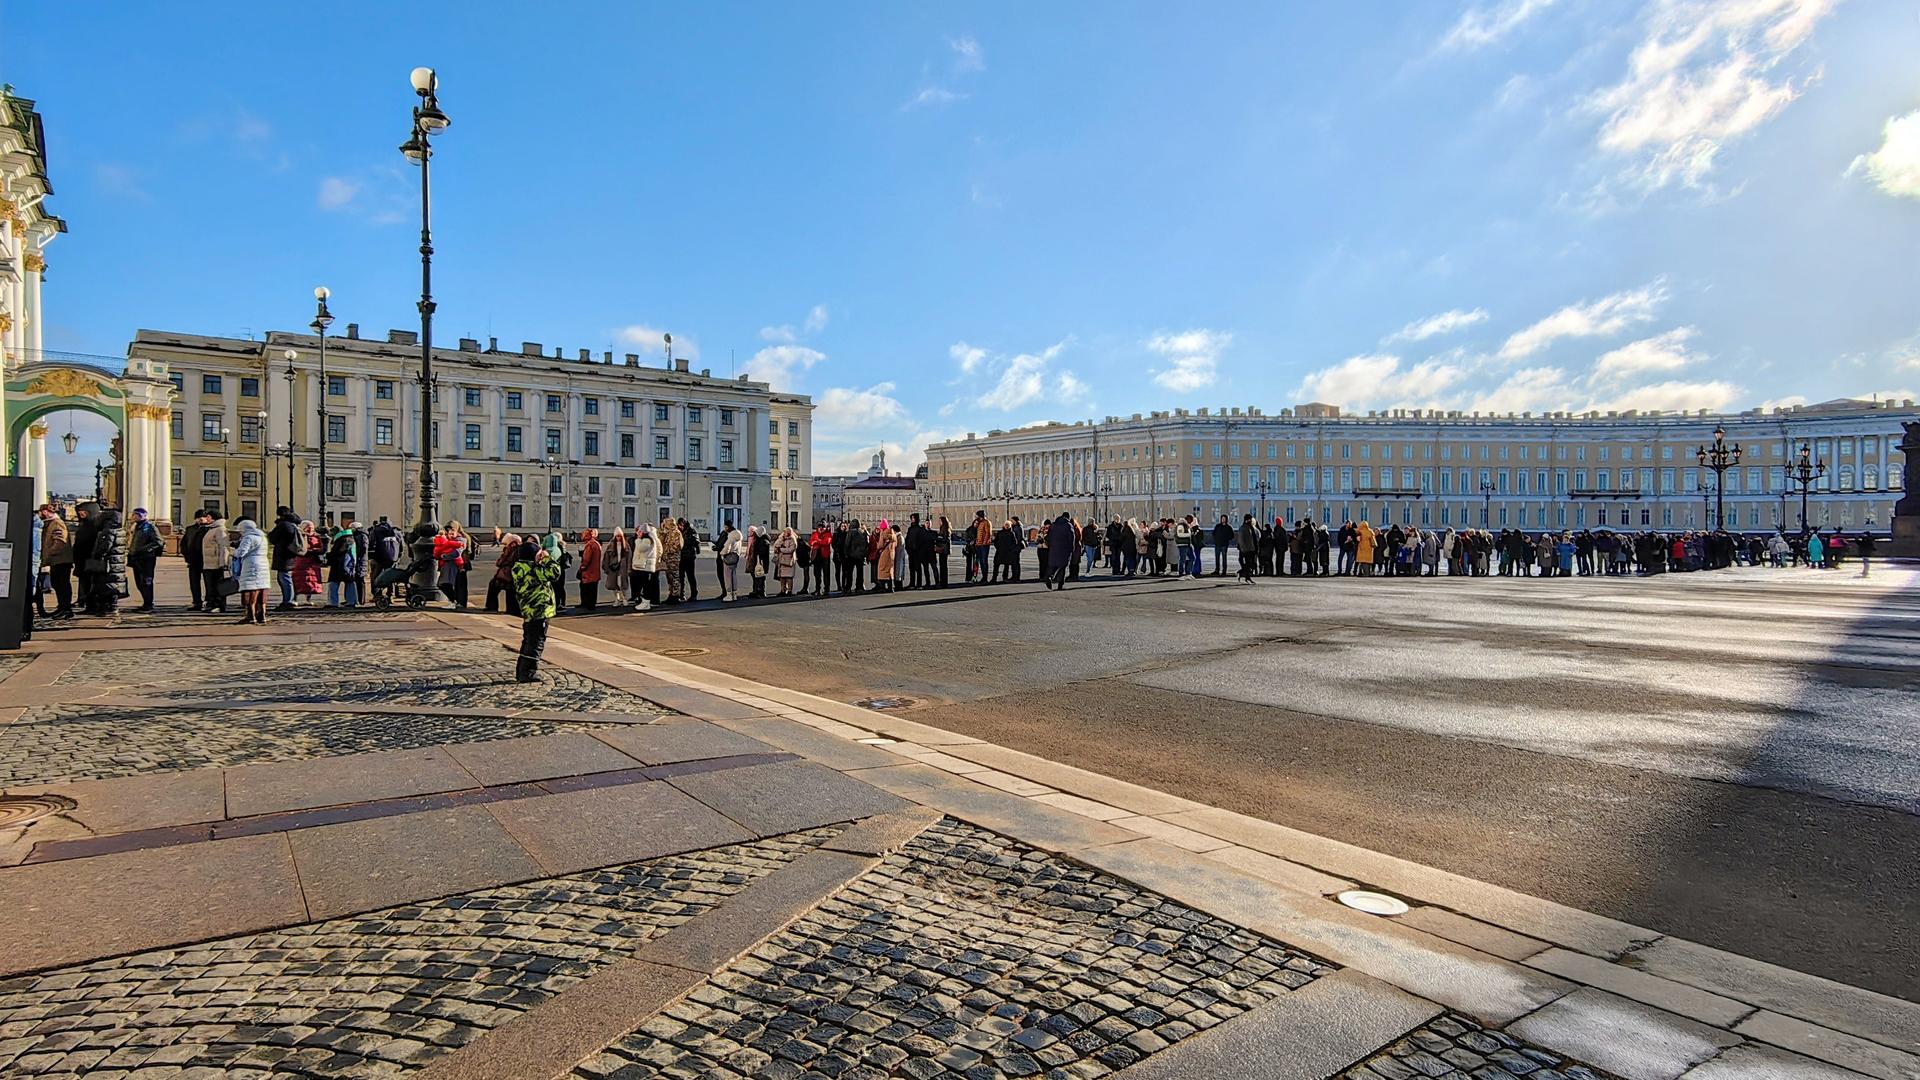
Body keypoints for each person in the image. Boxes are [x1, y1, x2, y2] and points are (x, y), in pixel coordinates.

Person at [509, 540, 560, 682]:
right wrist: (548, 558)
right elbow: (555, 572)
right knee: (536, 642)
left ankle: (522, 670)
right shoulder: (535, 569)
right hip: (540, 610)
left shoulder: (519, 568)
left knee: (528, 641)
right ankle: (528, 672)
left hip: (528, 610)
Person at [79, 502, 126, 616]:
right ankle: (111, 607)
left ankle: (108, 608)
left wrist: (96, 555)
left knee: (107, 585)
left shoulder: (108, 531)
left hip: (108, 562)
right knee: (114, 585)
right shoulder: (120, 530)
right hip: (117, 562)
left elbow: (105, 546)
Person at [229, 515, 271, 625]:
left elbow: (241, 552)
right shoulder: (262, 537)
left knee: (249, 588)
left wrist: (233, 553)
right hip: (263, 564)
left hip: (251, 564)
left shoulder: (248, 537)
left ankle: (250, 616)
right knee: (262, 589)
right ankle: (262, 615)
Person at [38, 504, 73, 620]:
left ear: (46, 512)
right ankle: (62, 607)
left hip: (61, 560)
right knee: (57, 584)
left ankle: (66, 609)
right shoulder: (50, 523)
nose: (40, 514)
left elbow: (60, 540)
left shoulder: (57, 523)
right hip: (56, 560)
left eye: (41, 512)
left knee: (62, 584)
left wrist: (49, 553)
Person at [126, 508, 163, 612]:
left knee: (146, 581)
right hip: (136, 558)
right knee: (139, 582)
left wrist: (145, 549)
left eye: (135, 515)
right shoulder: (137, 527)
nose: (133, 517)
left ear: (141, 516)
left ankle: (148, 604)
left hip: (146, 559)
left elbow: (159, 542)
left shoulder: (149, 527)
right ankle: (145, 602)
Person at [269, 506, 304, 611]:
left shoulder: (283, 525)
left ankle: (288, 601)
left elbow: (273, 538)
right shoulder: (293, 524)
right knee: (286, 577)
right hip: (290, 554)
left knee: (284, 578)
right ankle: (289, 599)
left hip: (283, 555)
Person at [181, 509, 212, 612]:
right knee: (194, 583)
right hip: (193, 560)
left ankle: (208, 602)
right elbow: (184, 543)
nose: (200, 519)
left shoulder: (210, 529)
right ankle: (197, 602)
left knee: (208, 583)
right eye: (198, 517)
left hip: (206, 560)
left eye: (202, 517)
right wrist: (186, 556)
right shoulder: (190, 529)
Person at [367, 517, 401, 605]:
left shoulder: (375, 530)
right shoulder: (396, 532)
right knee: (391, 576)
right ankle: (390, 595)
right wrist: (398, 556)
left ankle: (377, 595)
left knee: (376, 577)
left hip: (379, 558)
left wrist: (371, 556)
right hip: (393, 558)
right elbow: (401, 545)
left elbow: (371, 544)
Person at [486, 534, 522, 614]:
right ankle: (512, 610)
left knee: (494, 587)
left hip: (506, 574)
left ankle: (492, 607)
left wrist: (500, 561)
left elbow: (501, 562)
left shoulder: (510, 550)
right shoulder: (519, 550)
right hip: (512, 574)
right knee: (510, 592)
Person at [325, 527, 361, 607]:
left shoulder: (342, 540)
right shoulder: (350, 538)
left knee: (333, 583)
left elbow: (337, 553)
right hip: (349, 565)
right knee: (350, 582)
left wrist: (328, 556)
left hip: (340, 565)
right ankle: (352, 601)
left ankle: (333, 602)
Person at [632, 522, 658, 609]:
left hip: (645, 566)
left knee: (645, 585)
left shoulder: (647, 540)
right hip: (643, 565)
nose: (638, 533)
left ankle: (646, 602)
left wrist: (638, 539)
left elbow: (641, 548)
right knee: (643, 584)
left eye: (639, 532)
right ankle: (644, 602)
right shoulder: (646, 539)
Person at [658, 518, 684, 604]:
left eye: (665, 523)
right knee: (669, 577)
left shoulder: (676, 533)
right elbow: (660, 541)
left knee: (675, 577)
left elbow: (677, 546)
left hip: (673, 558)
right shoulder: (666, 533)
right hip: (666, 558)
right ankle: (671, 594)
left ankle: (676, 596)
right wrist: (662, 532)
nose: (664, 525)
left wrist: (667, 551)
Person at [576, 527, 603, 611]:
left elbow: (586, 560)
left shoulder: (590, 545)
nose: (582, 536)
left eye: (583, 534)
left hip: (588, 572)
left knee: (587, 588)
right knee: (593, 589)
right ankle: (591, 604)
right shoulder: (596, 544)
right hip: (595, 571)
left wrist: (581, 568)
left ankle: (587, 604)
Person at [718, 523, 746, 601]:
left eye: (725, 527)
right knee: (733, 575)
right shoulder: (738, 535)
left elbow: (727, 547)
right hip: (736, 556)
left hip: (729, 556)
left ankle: (729, 594)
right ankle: (735, 593)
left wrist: (722, 554)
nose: (724, 528)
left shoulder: (731, 535)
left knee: (727, 576)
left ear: (728, 527)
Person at [604, 527, 629, 608]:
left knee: (622, 584)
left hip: (623, 567)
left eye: (619, 536)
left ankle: (624, 598)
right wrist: (606, 567)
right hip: (613, 567)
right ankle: (616, 599)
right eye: (617, 536)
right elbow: (606, 557)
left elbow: (629, 557)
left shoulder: (625, 545)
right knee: (614, 584)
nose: (618, 538)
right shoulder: (610, 545)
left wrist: (629, 568)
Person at [873, 520, 899, 593]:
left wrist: (878, 544)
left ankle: (882, 587)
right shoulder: (893, 534)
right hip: (892, 553)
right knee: (890, 569)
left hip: (885, 553)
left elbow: (880, 545)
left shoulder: (883, 533)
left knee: (882, 569)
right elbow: (896, 544)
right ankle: (891, 587)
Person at [678, 520, 700, 602]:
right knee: (681, 577)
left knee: (690, 576)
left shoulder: (691, 530)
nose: (680, 526)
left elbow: (695, 541)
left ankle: (694, 594)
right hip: (681, 556)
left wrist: (684, 540)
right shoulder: (680, 531)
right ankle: (681, 594)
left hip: (689, 556)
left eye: (681, 525)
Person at [774, 526, 798, 596]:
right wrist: (781, 540)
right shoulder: (781, 538)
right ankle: (782, 590)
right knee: (782, 577)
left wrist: (781, 550)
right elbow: (776, 545)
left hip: (789, 560)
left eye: (786, 532)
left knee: (789, 577)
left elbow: (791, 549)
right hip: (781, 560)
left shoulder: (792, 539)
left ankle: (789, 590)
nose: (785, 533)